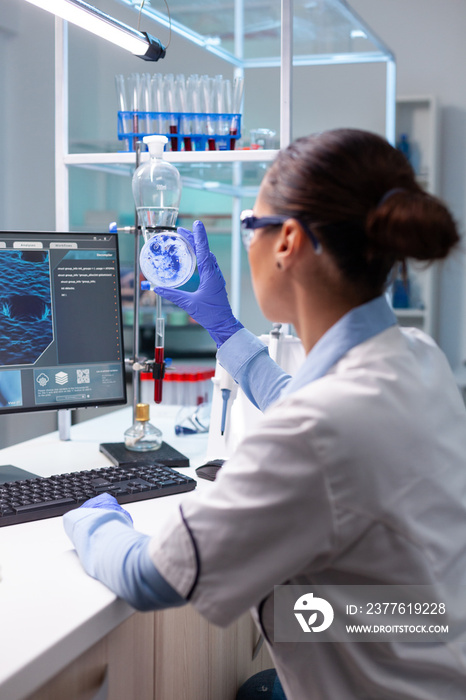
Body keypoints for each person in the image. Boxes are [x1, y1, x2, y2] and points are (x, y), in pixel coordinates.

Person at [64, 129, 466, 699]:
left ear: (288, 242)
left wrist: (90, 517)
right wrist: (224, 327)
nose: (248, 242)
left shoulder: (316, 432)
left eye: (252, 225)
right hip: (426, 637)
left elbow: (147, 577)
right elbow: (303, 403)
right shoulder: (419, 357)